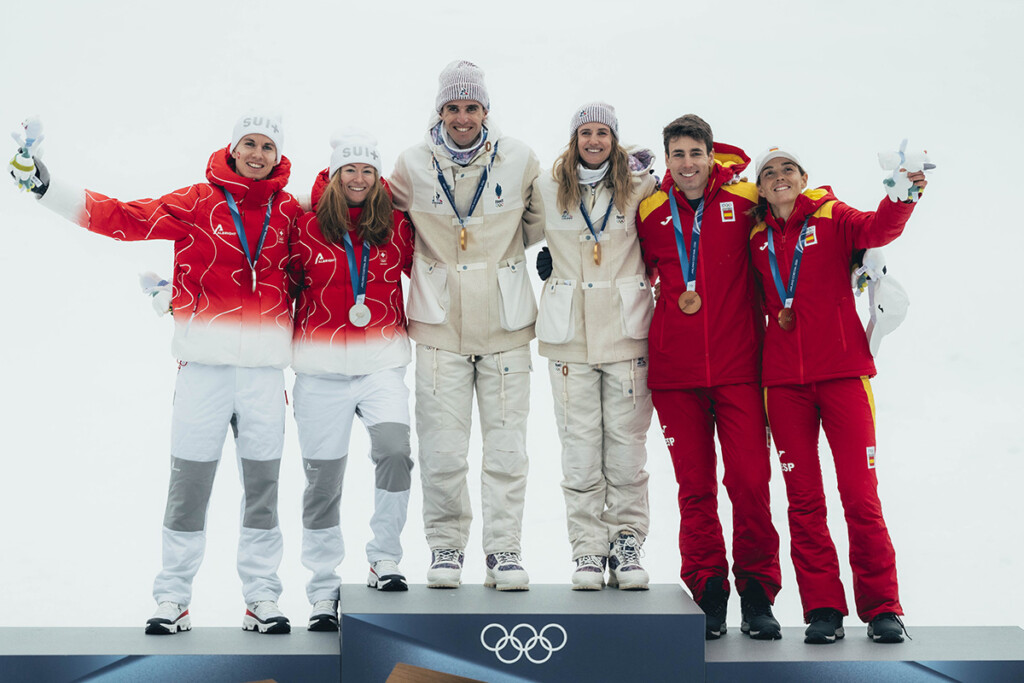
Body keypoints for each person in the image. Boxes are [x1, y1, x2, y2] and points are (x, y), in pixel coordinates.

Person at [9, 113, 302, 635]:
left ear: (278, 155)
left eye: (268, 146)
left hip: (263, 377)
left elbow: (337, 232)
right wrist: (44, 186)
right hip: (203, 375)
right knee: (188, 489)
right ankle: (173, 598)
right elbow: (124, 218)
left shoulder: (291, 211)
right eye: (249, 143)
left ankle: (262, 597)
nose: (258, 154)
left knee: (262, 491)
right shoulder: (197, 202)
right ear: (233, 148)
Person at [748, 146, 927, 644]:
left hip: (844, 377)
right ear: (759, 188)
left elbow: (879, 229)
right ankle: (823, 608)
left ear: (804, 177)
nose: (779, 176)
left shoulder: (832, 215)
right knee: (803, 502)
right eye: (768, 172)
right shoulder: (756, 237)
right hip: (783, 385)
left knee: (859, 495)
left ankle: (882, 607)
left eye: (788, 169)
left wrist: (903, 196)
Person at [390, 60, 544, 590]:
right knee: (442, 450)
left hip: (505, 326)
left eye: (471, 107)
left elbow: (542, 219)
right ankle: (446, 547)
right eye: (452, 108)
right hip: (440, 328)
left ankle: (504, 550)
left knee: (507, 450)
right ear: (439, 111)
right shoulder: (412, 164)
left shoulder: (518, 158)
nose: (462, 118)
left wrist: (502, 259)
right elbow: (372, 211)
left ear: (485, 109)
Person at [636, 115, 782, 640]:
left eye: (695, 153)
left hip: (739, 367)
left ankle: (758, 592)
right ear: (666, 159)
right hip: (675, 374)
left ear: (711, 154)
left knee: (749, 481)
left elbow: (792, 217)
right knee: (694, 488)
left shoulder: (745, 199)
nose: (687, 164)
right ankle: (708, 591)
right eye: (677, 154)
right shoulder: (650, 209)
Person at [288, 129, 415, 631]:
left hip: (381, 364)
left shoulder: (397, 226)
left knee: (395, 454)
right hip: (320, 372)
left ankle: (385, 557)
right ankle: (323, 589)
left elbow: (437, 267)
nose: (358, 179)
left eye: (367, 171)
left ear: (378, 178)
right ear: (335, 174)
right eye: (349, 170)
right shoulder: (305, 225)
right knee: (323, 483)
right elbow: (278, 284)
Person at [532, 102, 656, 590]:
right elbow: (506, 231)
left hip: (626, 335)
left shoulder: (640, 185)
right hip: (570, 339)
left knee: (627, 453)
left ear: (614, 139)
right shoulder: (547, 187)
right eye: (586, 132)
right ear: (574, 139)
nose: (594, 141)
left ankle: (626, 544)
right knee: (580, 453)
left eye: (603, 132)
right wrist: (544, 262)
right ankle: (587, 549)